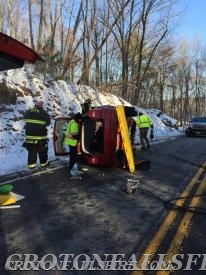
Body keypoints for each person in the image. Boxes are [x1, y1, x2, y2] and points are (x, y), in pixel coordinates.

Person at [24, 100, 50, 169]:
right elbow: (48, 122)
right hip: (40, 138)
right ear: (41, 105)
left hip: (30, 138)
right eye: (42, 104)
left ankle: (31, 166)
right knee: (42, 152)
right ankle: (44, 164)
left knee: (32, 153)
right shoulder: (43, 113)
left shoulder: (29, 111)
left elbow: (25, 118)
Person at [64, 112, 82, 177]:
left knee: (73, 154)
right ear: (78, 118)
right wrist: (79, 138)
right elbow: (74, 134)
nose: (80, 120)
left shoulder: (72, 121)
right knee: (73, 154)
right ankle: (72, 167)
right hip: (71, 141)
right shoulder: (74, 123)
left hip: (70, 141)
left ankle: (72, 165)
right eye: (80, 119)